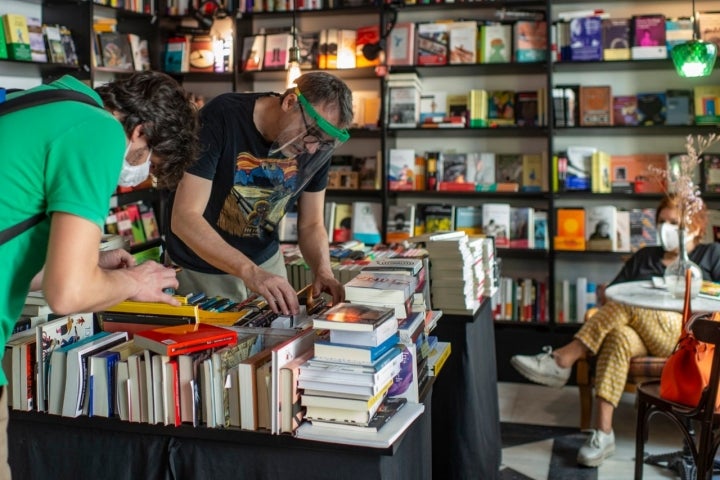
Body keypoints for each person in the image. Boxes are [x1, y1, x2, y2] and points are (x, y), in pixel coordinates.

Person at [0, 71, 199, 476]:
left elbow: (18, 261)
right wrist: (135, 283)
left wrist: (94, 266)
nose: (139, 175)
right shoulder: (101, 133)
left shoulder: (54, 100)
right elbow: (68, 295)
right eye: (149, 162)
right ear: (139, 131)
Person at [510, 194, 720, 468]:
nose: (665, 228)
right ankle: (603, 432)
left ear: (694, 225)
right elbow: (611, 295)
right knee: (619, 336)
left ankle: (563, 358)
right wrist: (604, 292)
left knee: (625, 308)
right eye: (661, 221)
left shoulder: (711, 255)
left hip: (686, 339)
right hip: (640, 335)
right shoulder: (645, 256)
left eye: (674, 222)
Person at [167, 72, 353, 316]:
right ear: (289, 103)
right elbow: (184, 218)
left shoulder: (314, 147)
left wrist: (323, 270)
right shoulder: (222, 116)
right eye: (313, 134)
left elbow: (311, 223)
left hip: (266, 265)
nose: (312, 148)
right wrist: (250, 272)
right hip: (204, 269)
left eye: (323, 143)